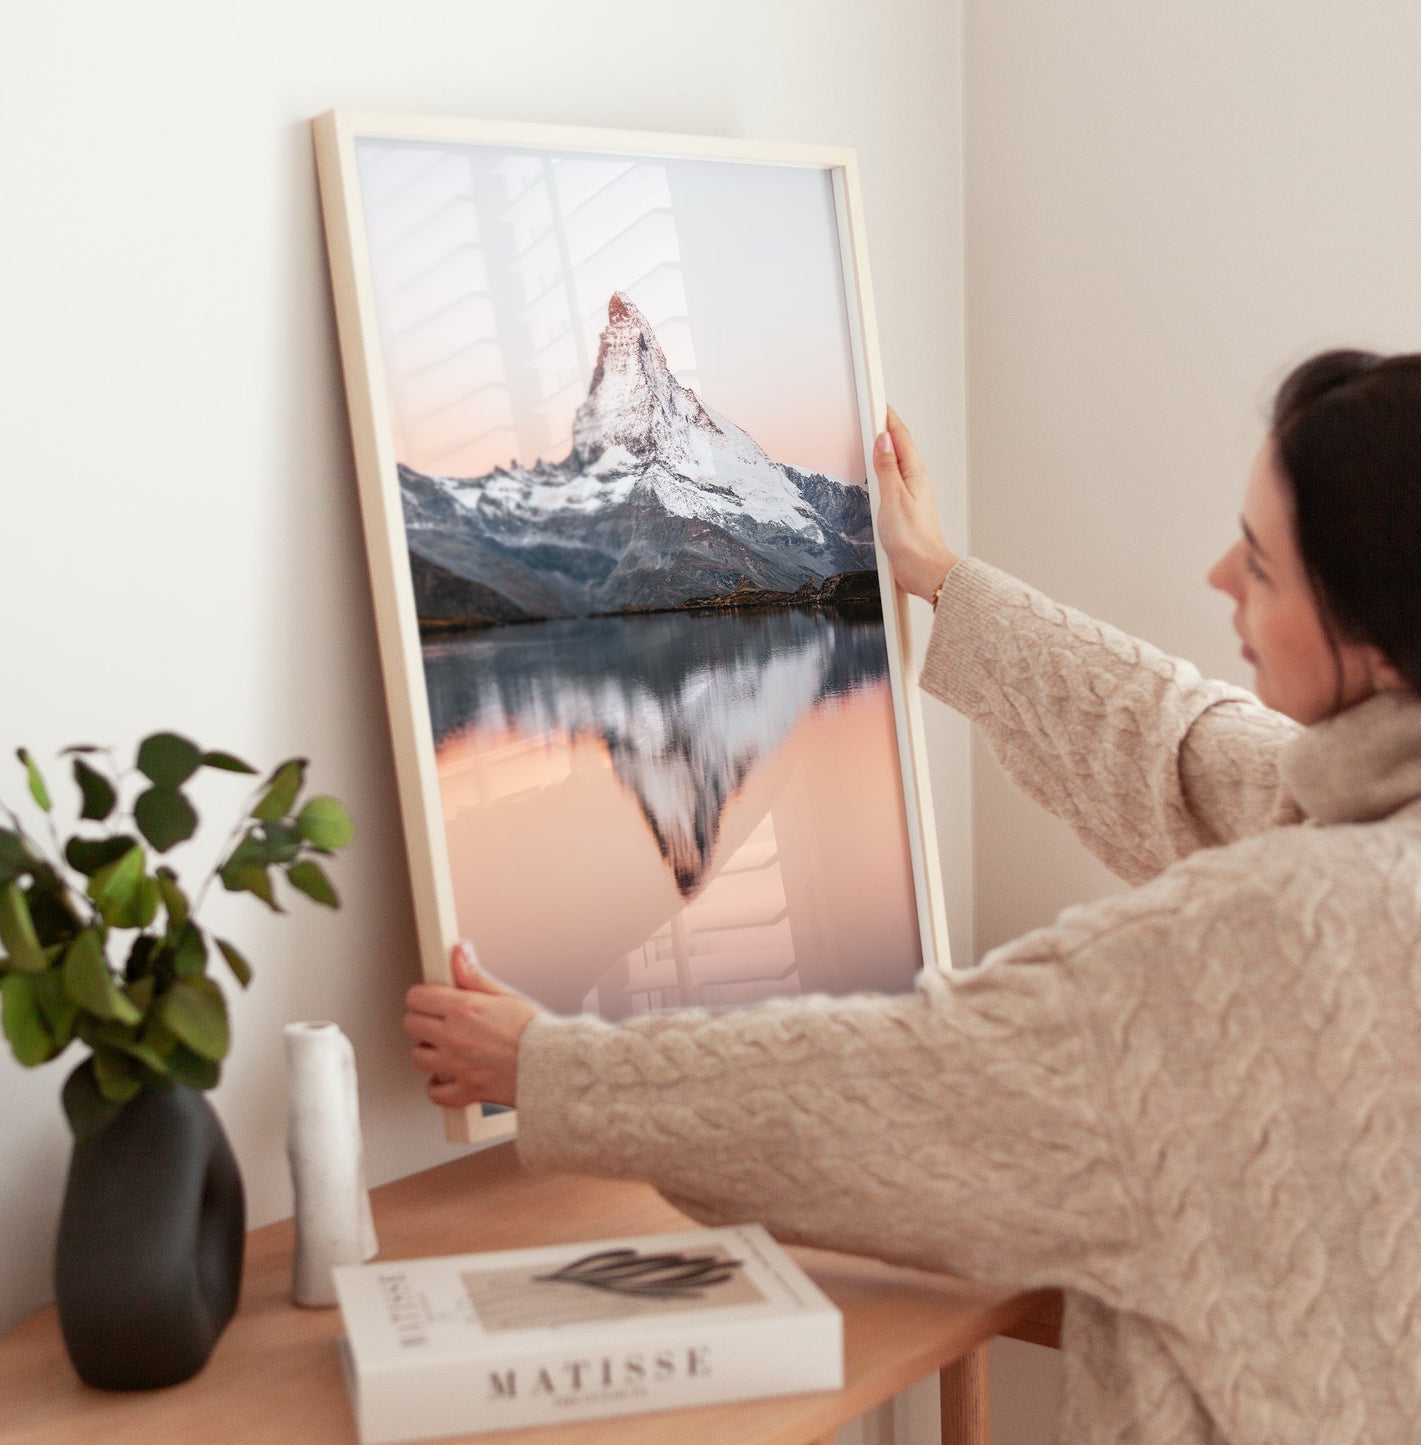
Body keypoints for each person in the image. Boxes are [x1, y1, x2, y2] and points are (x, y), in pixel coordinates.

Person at [403, 349, 1421, 1444]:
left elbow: (903, 1083)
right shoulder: (1366, 820)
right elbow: (1182, 748)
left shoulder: (1261, 939)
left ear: (1371, 638)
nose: (1219, 574)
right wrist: (940, 578)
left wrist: (545, 1066)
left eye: (1262, 566)